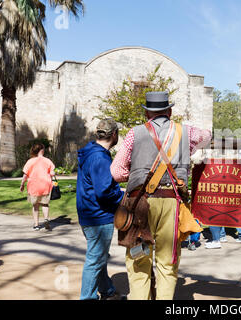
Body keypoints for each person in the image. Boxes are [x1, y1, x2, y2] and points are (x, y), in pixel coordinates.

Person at [111, 91, 211, 300]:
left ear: (147, 113)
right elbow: (207, 137)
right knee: (167, 263)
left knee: (139, 262)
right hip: (171, 203)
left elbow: (117, 172)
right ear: (170, 111)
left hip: (139, 203)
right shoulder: (185, 132)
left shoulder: (134, 133)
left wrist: (140, 174)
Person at [76, 118, 125, 300]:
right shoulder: (99, 157)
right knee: (95, 259)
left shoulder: (91, 152)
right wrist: (123, 197)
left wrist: (116, 190)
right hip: (98, 216)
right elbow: (104, 192)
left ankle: (107, 290)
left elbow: (99, 185)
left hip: (88, 213)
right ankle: (87, 297)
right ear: (114, 135)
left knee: (99, 256)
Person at [20, 143, 55, 231]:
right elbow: (52, 173)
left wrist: (22, 184)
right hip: (45, 185)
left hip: (34, 186)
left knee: (35, 206)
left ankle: (36, 225)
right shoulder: (47, 161)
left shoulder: (30, 161)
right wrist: (55, 183)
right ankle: (46, 219)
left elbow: (25, 175)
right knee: (45, 204)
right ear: (42, 150)